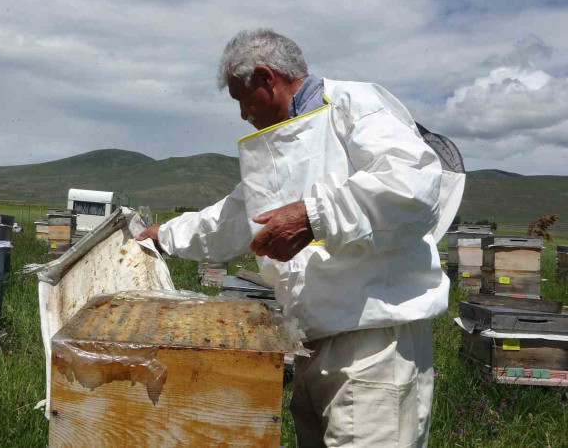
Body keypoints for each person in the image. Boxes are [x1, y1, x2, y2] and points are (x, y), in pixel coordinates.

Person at [137, 29, 465, 447]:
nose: (242, 114)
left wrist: (313, 216)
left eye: (242, 98)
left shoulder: (355, 105)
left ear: (266, 77)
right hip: (312, 344)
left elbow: (412, 185)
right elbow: (236, 215)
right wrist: (165, 235)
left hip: (373, 348)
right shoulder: (283, 143)